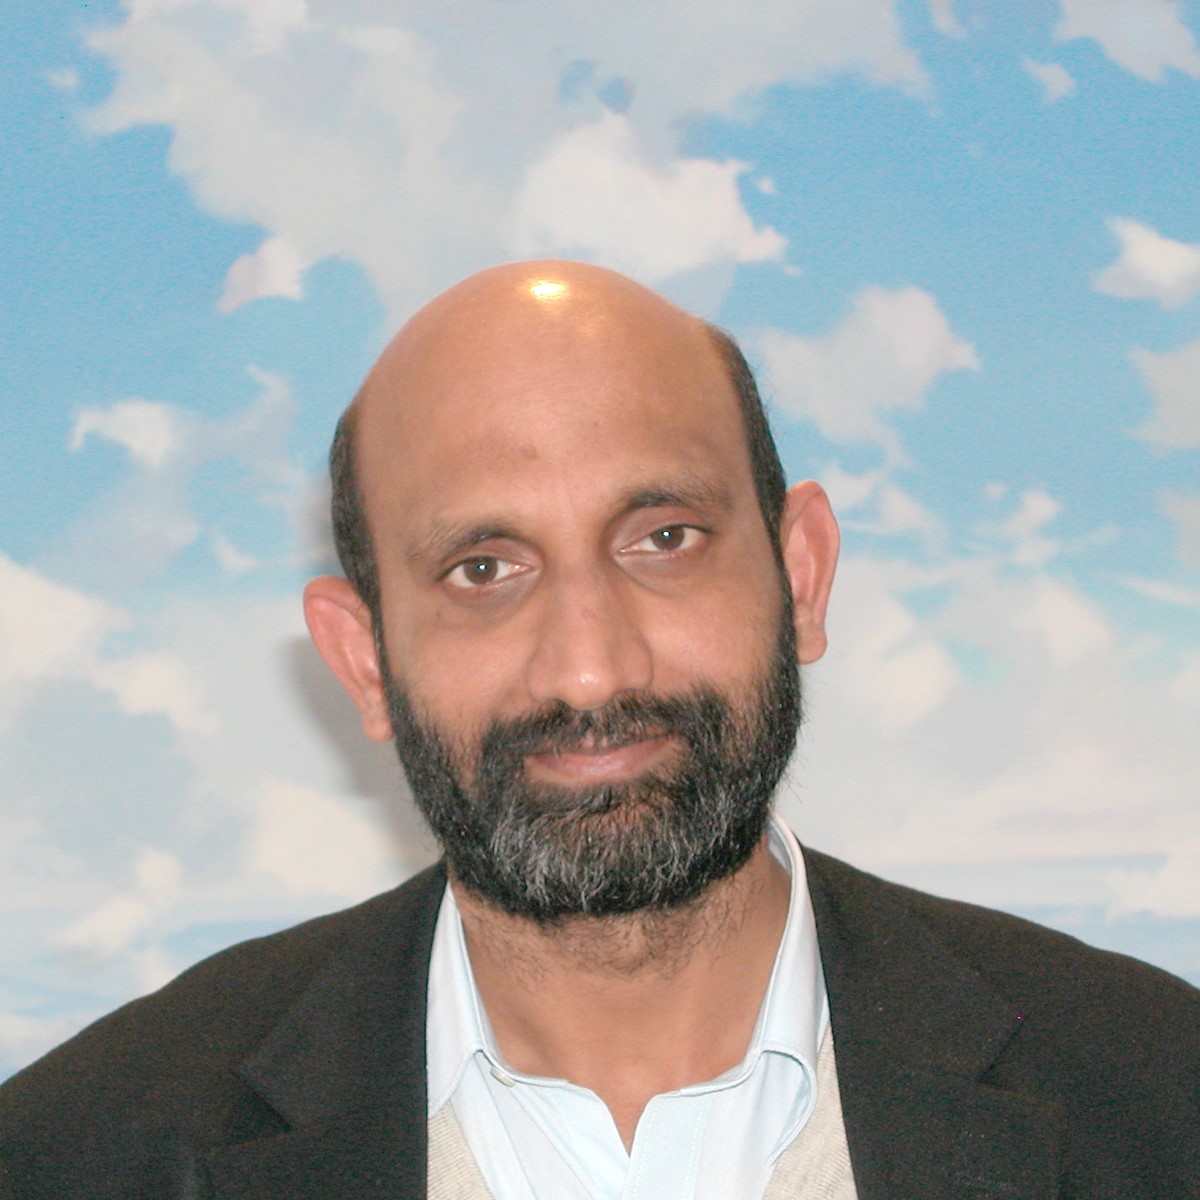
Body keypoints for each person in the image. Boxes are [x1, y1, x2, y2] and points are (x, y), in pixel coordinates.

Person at [1, 261, 1197, 1200]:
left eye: (663, 539)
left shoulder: (1162, 1101)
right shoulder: (72, 1156)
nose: (589, 665)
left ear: (801, 575)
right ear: (365, 660)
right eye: (483, 568)